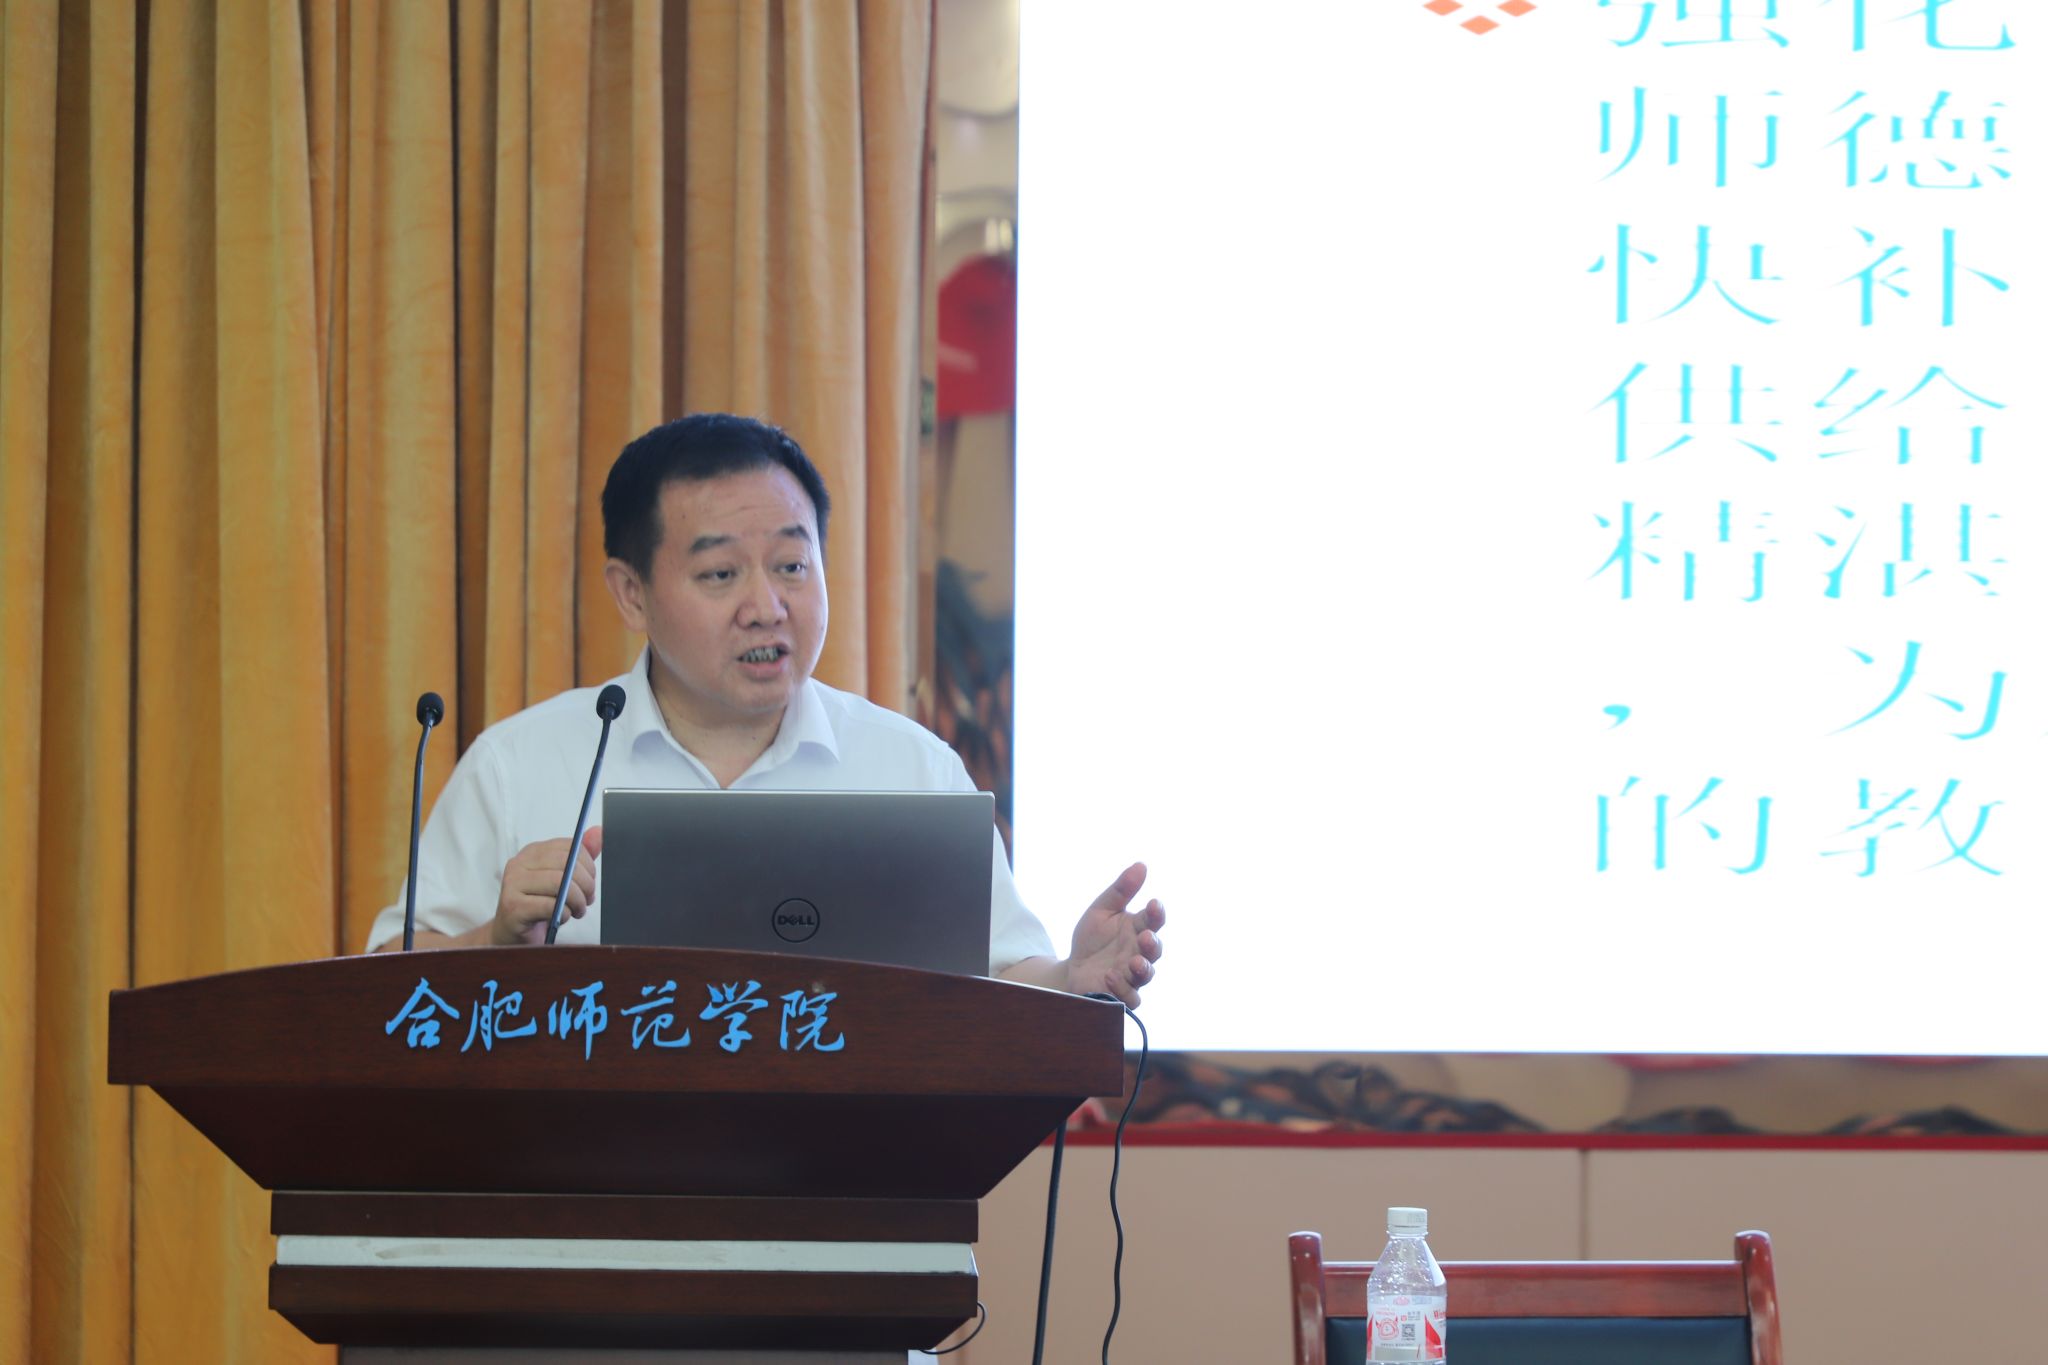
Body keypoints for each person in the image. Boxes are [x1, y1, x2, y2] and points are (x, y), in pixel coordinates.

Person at [366, 413, 1164, 1006]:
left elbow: (1000, 972)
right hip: (585, 1181)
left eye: (791, 565)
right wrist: (494, 938)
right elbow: (384, 990)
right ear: (632, 592)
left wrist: (1072, 975)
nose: (767, 607)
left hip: (857, 1183)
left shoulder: (910, 767)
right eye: (720, 575)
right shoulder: (521, 764)